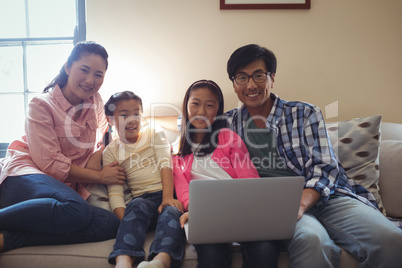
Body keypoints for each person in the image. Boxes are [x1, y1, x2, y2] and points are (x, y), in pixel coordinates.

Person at [223, 44, 402, 267]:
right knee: (313, 241)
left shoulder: (305, 113)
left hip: (330, 198)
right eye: (241, 77)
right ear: (233, 83)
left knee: (392, 240)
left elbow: (325, 169)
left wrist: (300, 204)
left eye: (258, 75)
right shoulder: (227, 124)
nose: (250, 85)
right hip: (279, 207)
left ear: (272, 78)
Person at [0, 41, 125, 253]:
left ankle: (7, 240)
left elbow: (106, 132)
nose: (90, 80)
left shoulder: (95, 101)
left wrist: (98, 152)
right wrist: (100, 177)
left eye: (98, 74)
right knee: (77, 210)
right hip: (25, 175)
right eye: (84, 70)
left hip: (59, 191)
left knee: (109, 223)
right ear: (68, 67)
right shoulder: (41, 105)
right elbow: (48, 164)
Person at [173, 80, 280, 268]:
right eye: (195, 104)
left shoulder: (228, 137)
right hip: (206, 216)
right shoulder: (176, 153)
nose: (201, 111)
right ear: (186, 106)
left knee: (264, 249)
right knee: (212, 256)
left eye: (210, 106)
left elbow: (248, 176)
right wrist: (194, 208)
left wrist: (247, 204)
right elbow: (182, 190)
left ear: (217, 111)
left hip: (242, 210)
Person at [103, 91, 185, 268]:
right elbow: (115, 191)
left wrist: (167, 198)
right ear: (110, 120)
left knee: (171, 212)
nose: (132, 119)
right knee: (136, 205)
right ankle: (123, 260)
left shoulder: (155, 134)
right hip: (144, 201)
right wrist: (126, 220)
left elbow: (166, 164)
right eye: (124, 115)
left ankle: (160, 261)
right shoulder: (110, 151)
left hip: (166, 193)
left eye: (136, 114)